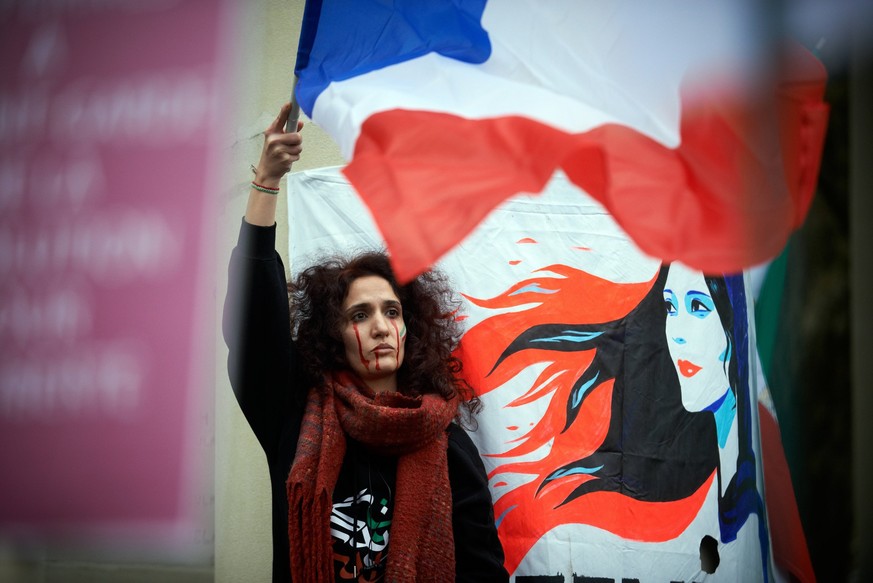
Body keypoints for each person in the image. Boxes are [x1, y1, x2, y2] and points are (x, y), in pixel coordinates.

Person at [222, 103, 508, 583]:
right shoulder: (295, 418)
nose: (380, 326)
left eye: (391, 311)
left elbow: (483, 570)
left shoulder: (448, 443)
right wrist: (267, 181)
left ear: (407, 328)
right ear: (334, 337)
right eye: (360, 314)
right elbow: (253, 326)